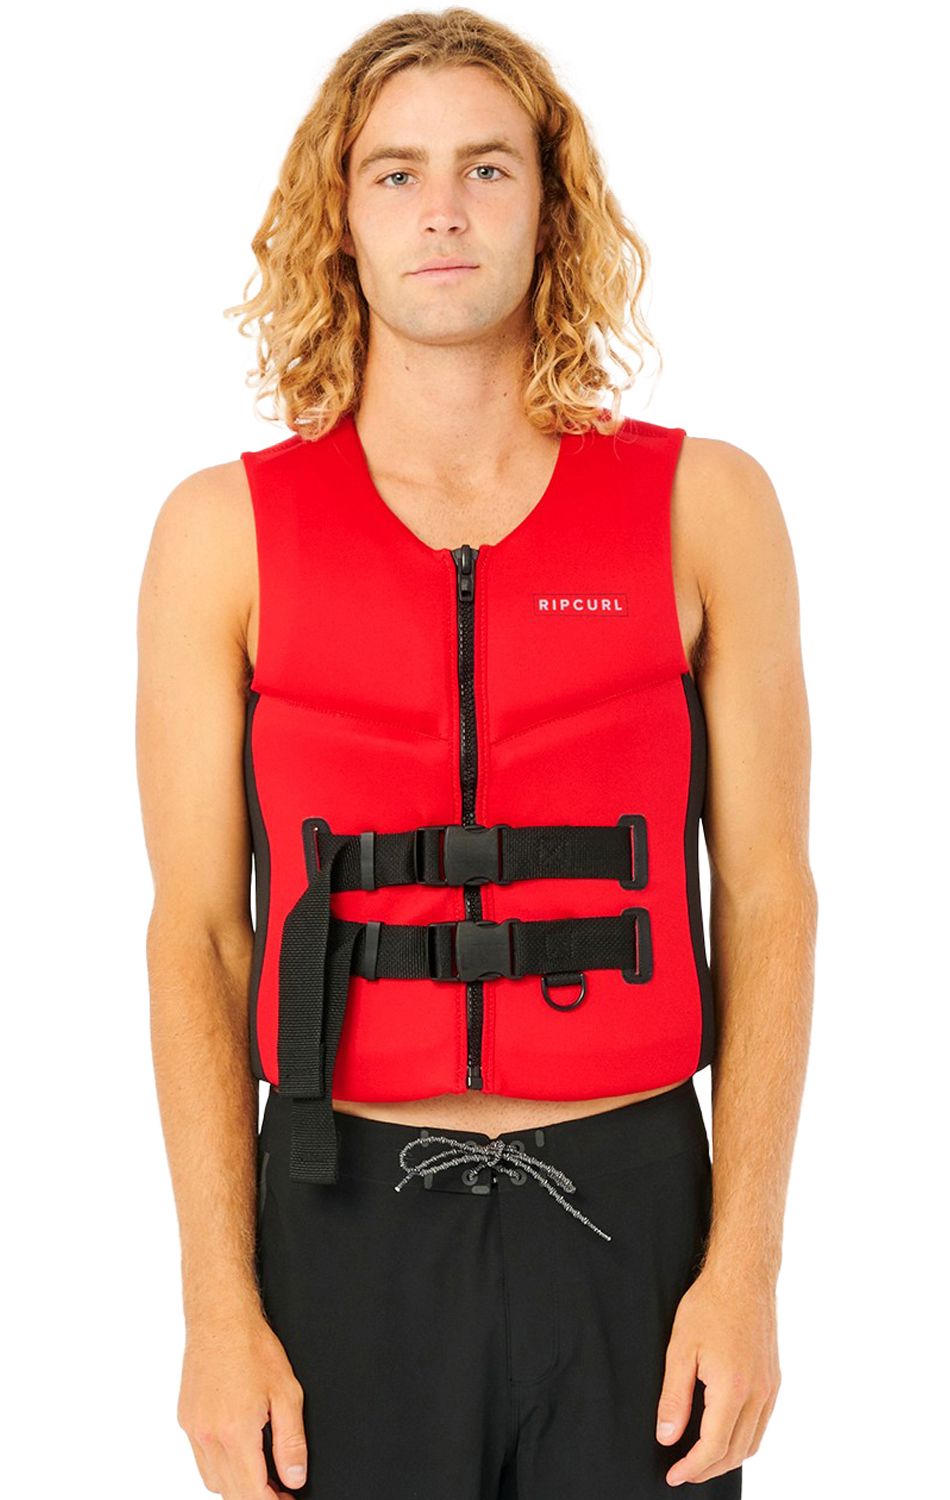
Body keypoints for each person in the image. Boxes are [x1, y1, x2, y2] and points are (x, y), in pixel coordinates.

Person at [135, 10, 816, 1498]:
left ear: (550, 205)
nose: (441, 208)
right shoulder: (220, 534)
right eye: (397, 173)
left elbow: (768, 895)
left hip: (635, 1213)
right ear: (341, 218)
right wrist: (215, 1310)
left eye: (486, 167)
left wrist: (746, 1270)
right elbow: (197, 933)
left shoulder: (707, 506)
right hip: (339, 1217)